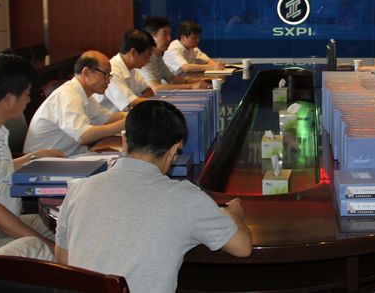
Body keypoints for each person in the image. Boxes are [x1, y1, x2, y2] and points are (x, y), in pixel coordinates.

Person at [54, 100, 252, 293]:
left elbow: (63, 259)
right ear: (174, 149)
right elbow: (242, 248)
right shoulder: (186, 199)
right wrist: (233, 214)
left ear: (124, 141)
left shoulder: (79, 190)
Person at [0, 54, 64, 255]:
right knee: (48, 249)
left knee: (67, 232)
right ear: (8, 99)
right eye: (27, 94)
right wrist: (45, 244)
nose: (29, 99)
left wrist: (33, 157)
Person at [23, 51, 127, 157]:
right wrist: (124, 124)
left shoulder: (83, 94)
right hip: (43, 163)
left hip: (69, 157)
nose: (108, 81)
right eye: (105, 74)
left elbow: (108, 118)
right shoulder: (67, 95)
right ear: (86, 73)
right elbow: (83, 136)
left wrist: (133, 116)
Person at [141, 17, 210, 91]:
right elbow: (155, 88)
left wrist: (197, 81)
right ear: (151, 37)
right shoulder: (143, 58)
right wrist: (192, 86)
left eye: (169, 34)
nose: (169, 38)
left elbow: (172, 79)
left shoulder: (157, 56)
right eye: (164, 34)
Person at [95, 29, 155, 112]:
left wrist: (139, 104)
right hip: (109, 118)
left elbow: (149, 91)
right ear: (133, 52)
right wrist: (149, 103)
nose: (148, 61)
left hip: (125, 115)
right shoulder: (112, 71)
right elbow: (130, 103)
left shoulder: (132, 68)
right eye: (146, 56)